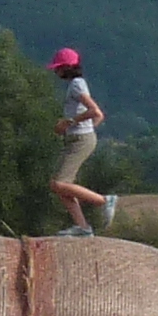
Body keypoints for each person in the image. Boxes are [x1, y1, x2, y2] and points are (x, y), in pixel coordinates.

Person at [47, 47, 116, 237]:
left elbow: (94, 111)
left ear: (67, 68)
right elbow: (99, 116)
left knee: (59, 183)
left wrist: (70, 123)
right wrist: (83, 129)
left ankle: (104, 201)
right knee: (60, 186)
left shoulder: (76, 85)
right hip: (78, 139)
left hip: (80, 141)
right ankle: (83, 227)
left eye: (58, 68)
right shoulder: (77, 84)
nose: (56, 71)